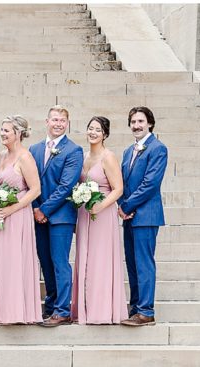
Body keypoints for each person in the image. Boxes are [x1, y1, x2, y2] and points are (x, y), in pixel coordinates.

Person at [0, 116, 42, 325]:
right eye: (1, 130)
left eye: (6, 130)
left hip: (17, 216)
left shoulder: (25, 157)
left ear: (18, 133)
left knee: (14, 262)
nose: (2, 134)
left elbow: (35, 189)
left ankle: (15, 311)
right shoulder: (1, 155)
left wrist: (12, 209)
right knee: (0, 262)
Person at [30, 106, 85, 327]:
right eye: (55, 119)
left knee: (59, 262)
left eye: (62, 120)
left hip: (61, 216)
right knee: (45, 261)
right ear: (47, 121)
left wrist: (45, 209)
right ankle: (51, 305)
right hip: (37, 214)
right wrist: (35, 208)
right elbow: (28, 182)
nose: (58, 123)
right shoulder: (34, 149)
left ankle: (63, 310)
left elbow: (66, 186)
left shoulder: (74, 150)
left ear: (67, 123)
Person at [71, 116, 127, 324]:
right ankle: (85, 309)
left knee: (100, 260)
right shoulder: (84, 157)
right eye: (90, 128)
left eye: (97, 129)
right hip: (85, 214)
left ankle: (102, 311)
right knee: (85, 260)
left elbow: (118, 189)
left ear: (105, 134)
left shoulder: (108, 157)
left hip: (102, 214)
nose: (93, 132)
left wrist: (99, 207)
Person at [119, 106, 169, 327]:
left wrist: (127, 205)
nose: (136, 126)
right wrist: (121, 205)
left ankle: (146, 311)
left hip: (146, 215)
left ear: (150, 123)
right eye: (133, 122)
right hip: (129, 215)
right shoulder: (128, 151)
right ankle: (135, 306)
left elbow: (150, 183)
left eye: (140, 121)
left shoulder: (158, 148)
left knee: (144, 263)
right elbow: (122, 182)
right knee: (131, 262)